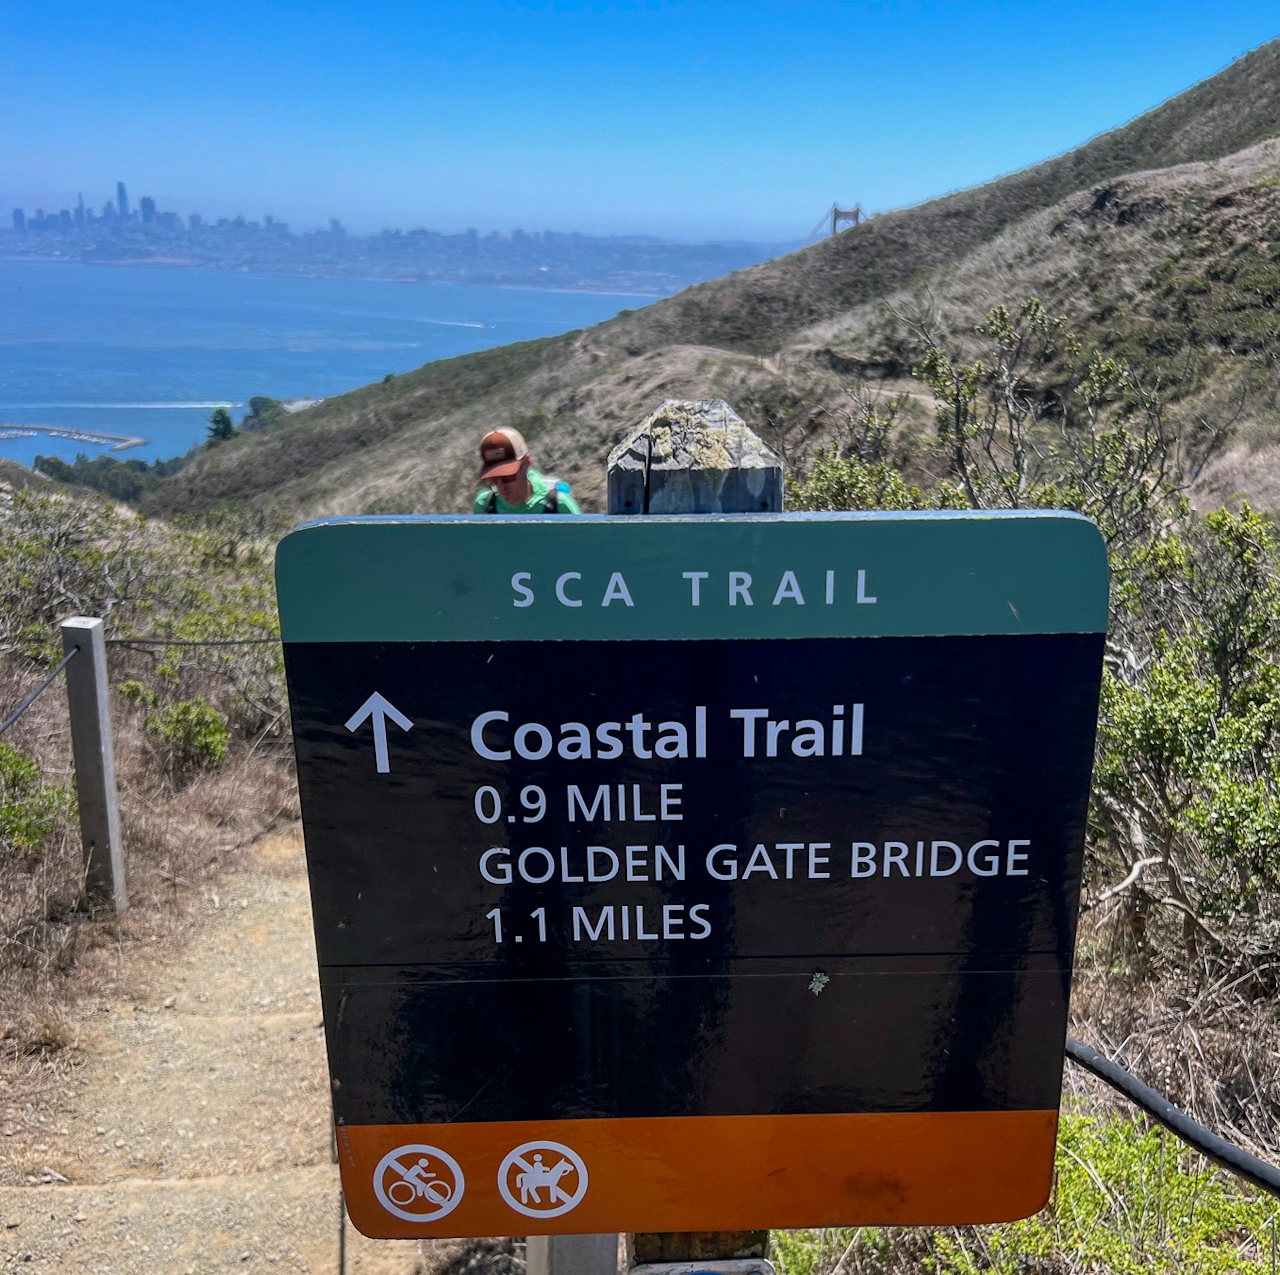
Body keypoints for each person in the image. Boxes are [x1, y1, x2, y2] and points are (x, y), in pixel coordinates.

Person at [473, 428, 582, 514]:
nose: (501, 485)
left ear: (527, 462)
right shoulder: (484, 506)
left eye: (507, 477)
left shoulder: (559, 506)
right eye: (493, 479)